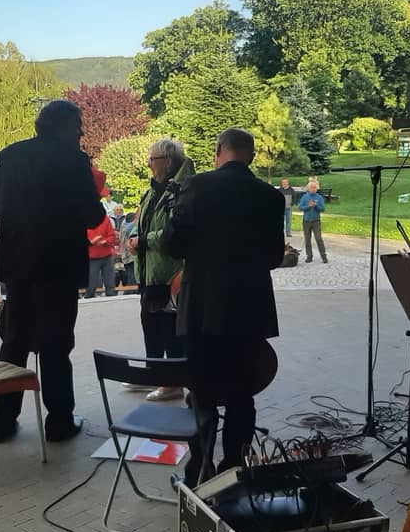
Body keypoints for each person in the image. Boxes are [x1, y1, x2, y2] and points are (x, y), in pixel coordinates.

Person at [0, 99, 105, 443]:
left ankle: (2, 422)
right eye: (77, 127)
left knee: (14, 341)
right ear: (63, 128)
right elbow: (94, 216)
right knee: (56, 343)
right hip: (58, 266)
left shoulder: (10, 155)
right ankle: (59, 422)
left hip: (17, 264)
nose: (80, 133)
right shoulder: (74, 161)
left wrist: (18, 218)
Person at [164, 128, 285, 486]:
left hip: (202, 307)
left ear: (219, 151)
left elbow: (172, 244)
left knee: (201, 393)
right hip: (249, 308)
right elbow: (274, 257)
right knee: (241, 395)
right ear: (251, 155)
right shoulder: (270, 197)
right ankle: (235, 471)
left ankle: (199, 473)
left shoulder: (197, 186)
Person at [131, 138, 194, 402]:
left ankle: (172, 383)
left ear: (167, 162)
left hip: (170, 272)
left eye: (152, 159)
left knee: (170, 328)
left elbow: (174, 231)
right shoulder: (152, 190)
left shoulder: (181, 190)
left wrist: (143, 241)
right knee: (151, 323)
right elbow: (140, 222)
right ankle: (154, 374)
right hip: (149, 270)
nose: (148, 164)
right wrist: (133, 237)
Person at [84, 192, 118, 299]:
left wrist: (104, 242)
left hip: (106, 255)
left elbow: (112, 236)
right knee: (91, 285)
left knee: (110, 284)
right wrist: (92, 242)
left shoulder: (105, 219)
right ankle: (89, 298)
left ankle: (111, 299)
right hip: (91, 257)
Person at [297, 181, 327, 264]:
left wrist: (316, 206)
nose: (313, 189)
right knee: (307, 239)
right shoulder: (305, 197)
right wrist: (308, 206)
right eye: (312, 187)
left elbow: (323, 209)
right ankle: (309, 256)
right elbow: (300, 207)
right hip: (306, 221)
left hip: (316, 221)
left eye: (315, 187)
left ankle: (323, 256)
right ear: (308, 188)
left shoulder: (319, 197)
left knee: (318, 238)